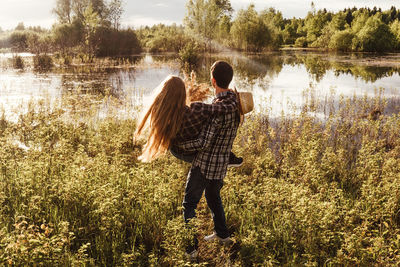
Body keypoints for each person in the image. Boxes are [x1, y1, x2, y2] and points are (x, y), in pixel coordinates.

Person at [172, 61, 240, 259]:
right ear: (229, 80)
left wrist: (179, 147)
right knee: (213, 197)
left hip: (205, 164)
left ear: (213, 80)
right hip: (221, 165)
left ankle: (191, 249)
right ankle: (222, 235)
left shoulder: (217, 109)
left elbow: (203, 142)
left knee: (189, 204)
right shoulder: (236, 104)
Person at [135, 75, 243, 166]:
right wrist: (232, 98)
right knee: (213, 126)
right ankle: (225, 158)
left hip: (176, 150)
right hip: (190, 151)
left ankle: (224, 158)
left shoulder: (160, 111)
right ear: (183, 93)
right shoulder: (194, 111)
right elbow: (220, 109)